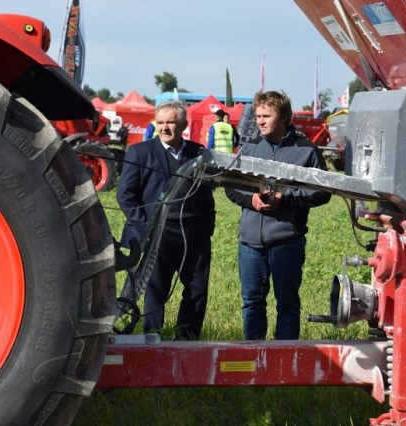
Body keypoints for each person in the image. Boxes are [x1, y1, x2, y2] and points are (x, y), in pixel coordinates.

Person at [225, 90, 330, 340]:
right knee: (251, 301)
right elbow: (231, 185)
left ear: (283, 117)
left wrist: (288, 199)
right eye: (258, 116)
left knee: (287, 304)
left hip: (286, 240)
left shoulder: (306, 151)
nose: (260, 121)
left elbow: (322, 192)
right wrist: (250, 199)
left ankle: (284, 360)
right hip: (250, 241)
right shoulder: (249, 149)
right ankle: (254, 355)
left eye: (266, 116)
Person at [117, 101, 216, 340]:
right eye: (160, 123)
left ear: (182, 124)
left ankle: (187, 340)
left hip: (193, 234)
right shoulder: (139, 152)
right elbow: (125, 196)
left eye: (170, 122)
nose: (164, 128)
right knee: (156, 290)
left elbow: (206, 195)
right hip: (157, 235)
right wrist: (146, 229)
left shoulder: (198, 153)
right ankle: (154, 340)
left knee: (196, 290)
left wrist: (206, 229)